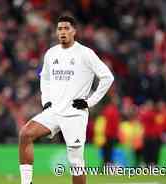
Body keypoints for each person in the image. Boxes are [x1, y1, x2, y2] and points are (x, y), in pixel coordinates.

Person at [18, 15, 114, 184]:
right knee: (26, 134)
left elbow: (107, 77)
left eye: (66, 28)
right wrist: (45, 100)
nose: (62, 32)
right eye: (60, 28)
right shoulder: (51, 53)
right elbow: (45, 78)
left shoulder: (85, 53)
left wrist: (90, 102)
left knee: (76, 162)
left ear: (74, 31)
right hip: (54, 111)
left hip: (75, 114)